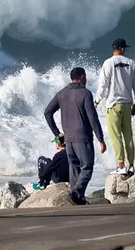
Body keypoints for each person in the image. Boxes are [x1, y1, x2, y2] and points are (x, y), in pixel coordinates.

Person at [44, 67, 107, 205]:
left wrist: (57, 134)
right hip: (83, 138)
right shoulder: (85, 93)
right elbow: (93, 119)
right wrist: (101, 139)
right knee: (87, 167)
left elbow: (47, 112)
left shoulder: (61, 93)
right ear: (82, 77)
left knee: (75, 168)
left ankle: (77, 199)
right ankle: (76, 193)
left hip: (68, 139)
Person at [95, 38, 135, 175]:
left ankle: (121, 165)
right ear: (122, 49)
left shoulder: (108, 63)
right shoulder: (131, 63)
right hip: (127, 104)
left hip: (114, 104)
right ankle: (131, 166)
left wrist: (97, 101)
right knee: (128, 136)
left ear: (114, 48)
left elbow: (103, 85)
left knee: (115, 136)